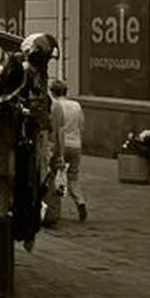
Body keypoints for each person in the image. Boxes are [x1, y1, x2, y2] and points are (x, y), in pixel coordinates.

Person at [49, 80, 88, 223]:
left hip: (61, 146)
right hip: (76, 145)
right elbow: (81, 126)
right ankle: (80, 202)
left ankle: (53, 209)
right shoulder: (76, 105)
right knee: (73, 178)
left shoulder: (55, 106)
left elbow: (55, 129)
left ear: (52, 91)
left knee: (53, 177)